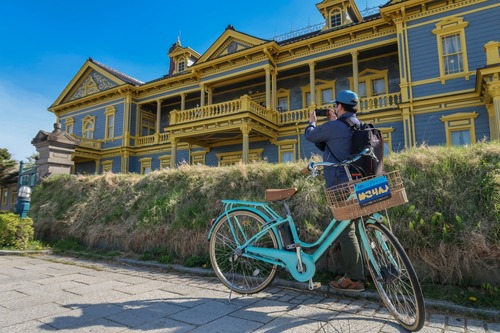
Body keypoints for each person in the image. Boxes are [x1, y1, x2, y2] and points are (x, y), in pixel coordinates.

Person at [304, 89, 365, 292]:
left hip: (340, 185)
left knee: (346, 231)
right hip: (357, 183)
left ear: (339, 106)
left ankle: (355, 279)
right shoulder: (357, 124)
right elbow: (332, 148)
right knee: (354, 229)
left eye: (335, 106)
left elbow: (311, 136)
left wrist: (312, 121)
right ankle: (351, 273)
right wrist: (332, 121)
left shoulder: (334, 127)